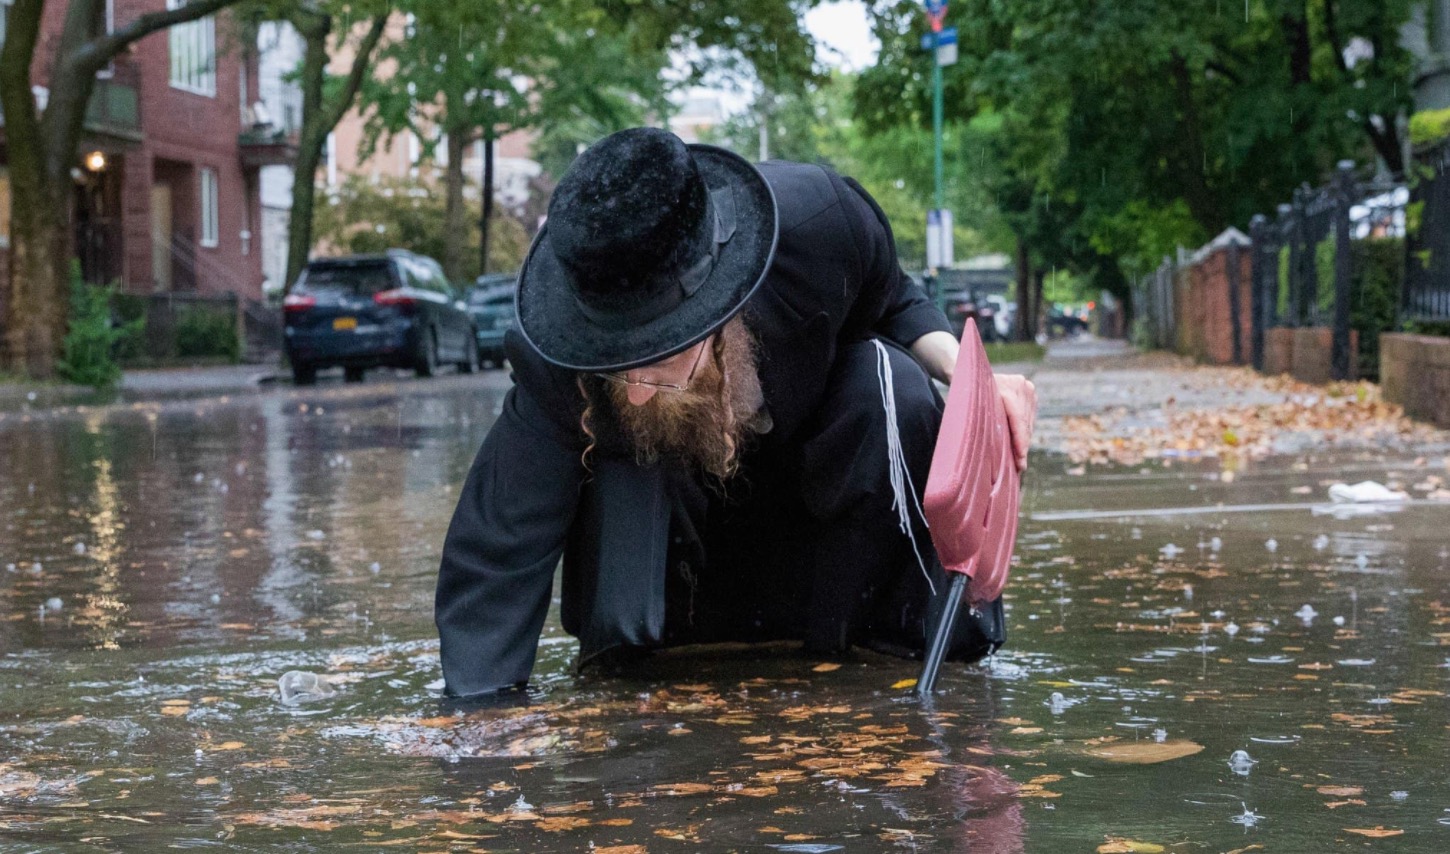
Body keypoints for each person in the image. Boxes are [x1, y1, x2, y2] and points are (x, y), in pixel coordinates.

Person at [436, 127, 1036, 701]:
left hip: (826, 542)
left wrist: (971, 380)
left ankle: (893, 639)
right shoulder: (553, 348)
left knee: (890, 378)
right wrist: (482, 718)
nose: (638, 393)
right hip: (679, 576)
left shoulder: (820, 225)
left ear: (721, 306)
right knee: (612, 449)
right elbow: (499, 546)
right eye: (620, 366)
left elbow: (895, 298)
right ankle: (635, 662)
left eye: (657, 358)